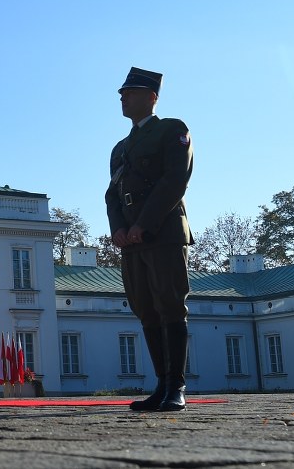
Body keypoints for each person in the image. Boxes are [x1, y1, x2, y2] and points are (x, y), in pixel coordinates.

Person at [105, 67, 194, 412]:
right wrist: (118, 228)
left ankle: (176, 386)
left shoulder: (171, 130)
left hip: (163, 232)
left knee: (170, 304)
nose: (123, 98)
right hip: (132, 240)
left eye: (130, 92)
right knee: (145, 309)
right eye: (122, 93)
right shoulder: (120, 148)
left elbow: (175, 180)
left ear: (152, 97)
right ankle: (161, 384)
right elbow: (112, 195)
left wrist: (143, 223)